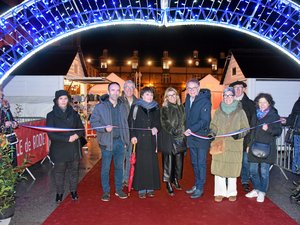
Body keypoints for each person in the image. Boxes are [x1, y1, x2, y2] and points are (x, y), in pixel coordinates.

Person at [90, 82, 130, 202]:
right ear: (108, 91)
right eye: (113, 90)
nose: (115, 92)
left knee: (119, 167)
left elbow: (127, 123)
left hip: (120, 142)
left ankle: (118, 189)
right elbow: (93, 123)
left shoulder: (123, 106)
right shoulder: (100, 107)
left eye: (117, 90)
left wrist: (126, 140)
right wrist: (104, 128)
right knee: (105, 168)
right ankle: (106, 191)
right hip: (107, 142)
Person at [210, 87, 249, 202]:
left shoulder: (240, 111)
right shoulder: (218, 110)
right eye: (225, 96)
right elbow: (214, 125)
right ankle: (220, 192)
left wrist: (239, 135)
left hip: (234, 144)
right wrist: (211, 132)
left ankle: (232, 192)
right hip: (220, 143)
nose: (227, 98)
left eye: (230, 95)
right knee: (219, 167)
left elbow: (246, 128)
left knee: (232, 168)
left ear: (234, 97)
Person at [46, 90, 85, 202]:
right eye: (61, 99)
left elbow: (81, 129)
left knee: (74, 171)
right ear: (57, 100)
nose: (63, 101)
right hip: (59, 148)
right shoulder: (51, 115)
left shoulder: (74, 114)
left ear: (68, 100)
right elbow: (51, 134)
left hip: (73, 148)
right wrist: (66, 138)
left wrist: (76, 136)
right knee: (59, 172)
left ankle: (73, 191)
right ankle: (59, 192)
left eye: (65, 98)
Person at [246, 93, 282, 203]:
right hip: (254, 146)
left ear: (269, 103)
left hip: (267, 148)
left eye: (264, 102)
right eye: (260, 102)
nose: (262, 104)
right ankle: (257, 189)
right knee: (252, 171)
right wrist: (248, 144)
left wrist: (269, 129)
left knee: (264, 172)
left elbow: (278, 131)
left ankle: (262, 191)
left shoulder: (273, 115)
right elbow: (251, 131)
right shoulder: (255, 115)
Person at [128, 86, 161, 199]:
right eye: (147, 94)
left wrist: (156, 127)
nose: (150, 96)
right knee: (141, 163)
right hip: (140, 139)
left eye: (151, 94)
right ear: (142, 95)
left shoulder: (156, 107)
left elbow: (158, 121)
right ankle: (141, 188)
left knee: (151, 163)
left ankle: (151, 188)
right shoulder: (136, 106)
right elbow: (131, 122)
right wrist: (132, 136)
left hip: (151, 140)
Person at [184, 78, 212, 199]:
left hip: (201, 136)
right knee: (194, 162)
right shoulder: (188, 99)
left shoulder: (205, 101)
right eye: (189, 88)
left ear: (199, 88)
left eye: (194, 88)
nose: (191, 90)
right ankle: (196, 184)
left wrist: (191, 129)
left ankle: (200, 187)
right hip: (191, 137)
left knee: (201, 163)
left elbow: (205, 121)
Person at [229, 81, 256, 192]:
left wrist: (251, 141)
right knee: (232, 160)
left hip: (246, 137)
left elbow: (253, 122)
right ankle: (231, 180)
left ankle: (245, 181)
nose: (238, 90)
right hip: (232, 138)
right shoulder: (229, 102)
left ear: (244, 89)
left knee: (245, 161)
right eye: (236, 87)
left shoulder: (250, 104)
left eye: (240, 87)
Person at [160, 87, 185, 196]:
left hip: (180, 138)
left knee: (179, 161)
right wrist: (174, 131)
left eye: (174, 94)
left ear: (177, 96)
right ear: (166, 97)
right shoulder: (164, 108)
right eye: (169, 95)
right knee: (168, 162)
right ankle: (168, 183)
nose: (172, 97)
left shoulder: (181, 107)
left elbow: (184, 121)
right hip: (169, 137)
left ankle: (175, 179)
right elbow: (165, 123)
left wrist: (183, 132)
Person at [119, 80, 137, 187]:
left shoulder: (138, 102)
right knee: (121, 159)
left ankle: (127, 178)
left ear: (134, 89)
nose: (129, 89)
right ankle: (121, 179)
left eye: (131, 87)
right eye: (127, 87)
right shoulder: (119, 101)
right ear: (124, 89)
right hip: (121, 134)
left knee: (131, 158)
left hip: (133, 135)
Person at [0, 87, 18, 166]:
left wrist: (14, 123)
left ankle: (13, 176)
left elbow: (12, 119)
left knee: (11, 160)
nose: (2, 99)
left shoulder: (5, 109)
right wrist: (3, 125)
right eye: (0, 97)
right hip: (2, 141)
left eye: (2, 97)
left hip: (9, 139)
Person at [282, 96, 300, 174]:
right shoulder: (298, 103)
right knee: (297, 154)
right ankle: (295, 175)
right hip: (297, 133)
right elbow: (293, 116)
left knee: (297, 154)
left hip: (297, 133)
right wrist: (286, 121)